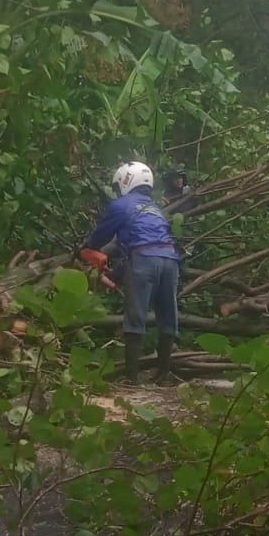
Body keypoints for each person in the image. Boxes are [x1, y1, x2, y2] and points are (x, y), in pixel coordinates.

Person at [83, 161, 183, 384]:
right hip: (170, 260)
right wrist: (116, 274)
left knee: (135, 317)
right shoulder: (156, 209)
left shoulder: (121, 205)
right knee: (167, 316)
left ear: (126, 181)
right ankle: (163, 373)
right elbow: (148, 244)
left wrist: (86, 249)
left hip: (143, 261)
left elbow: (98, 240)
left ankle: (132, 378)